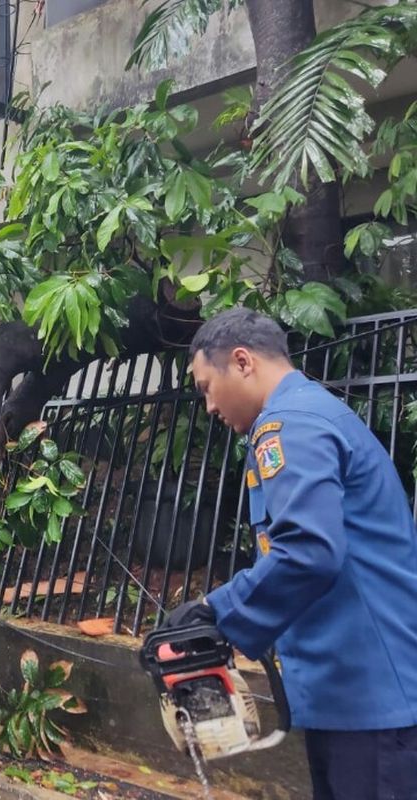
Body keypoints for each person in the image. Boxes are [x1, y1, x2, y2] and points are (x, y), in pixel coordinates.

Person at [162, 307, 417, 800]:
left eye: (205, 387)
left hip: (370, 699)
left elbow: (307, 551)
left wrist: (216, 611)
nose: (208, 407)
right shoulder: (311, 414)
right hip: (354, 694)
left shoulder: (292, 425)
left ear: (241, 362)